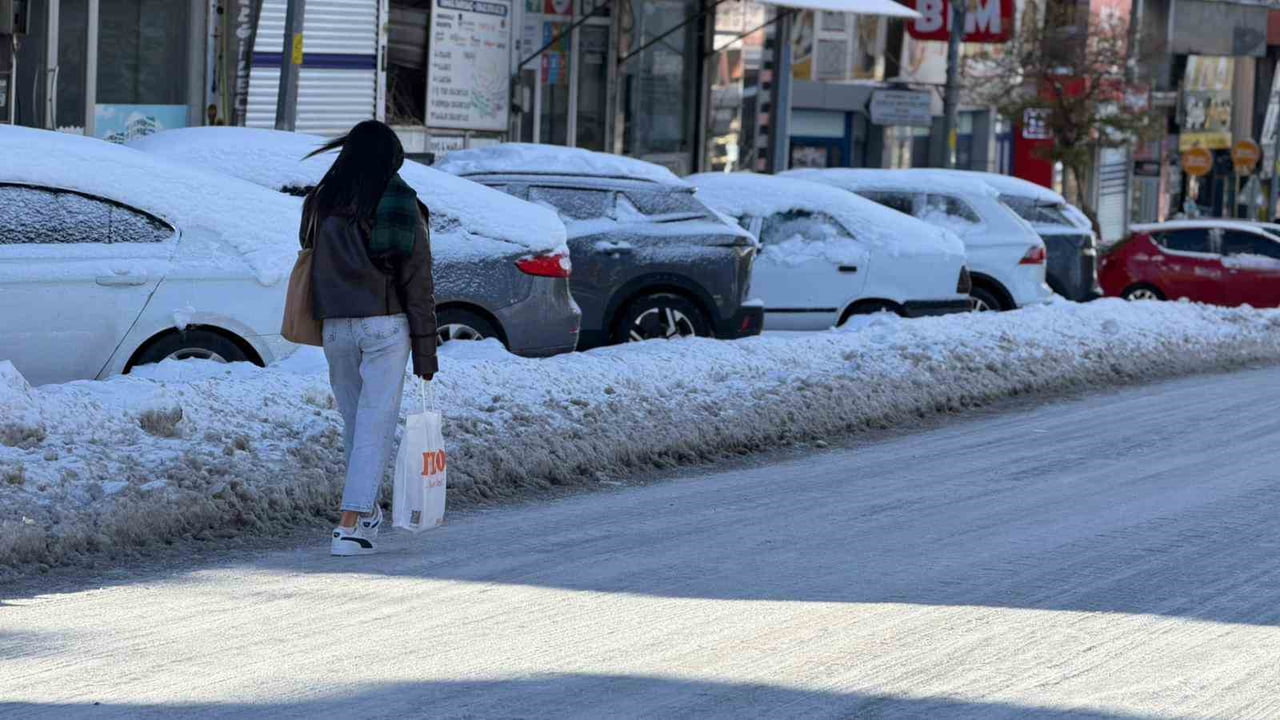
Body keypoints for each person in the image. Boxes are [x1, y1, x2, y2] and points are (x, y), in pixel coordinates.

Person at [300, 120, 437, 556]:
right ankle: (351, 523)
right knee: (374, 425)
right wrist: (426, 351)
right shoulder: (399, 199)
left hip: (336, 325)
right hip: (384, 322)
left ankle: (367, 511)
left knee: (358, 424)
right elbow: (417, 279)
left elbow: (306, 247)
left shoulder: (323, 200)